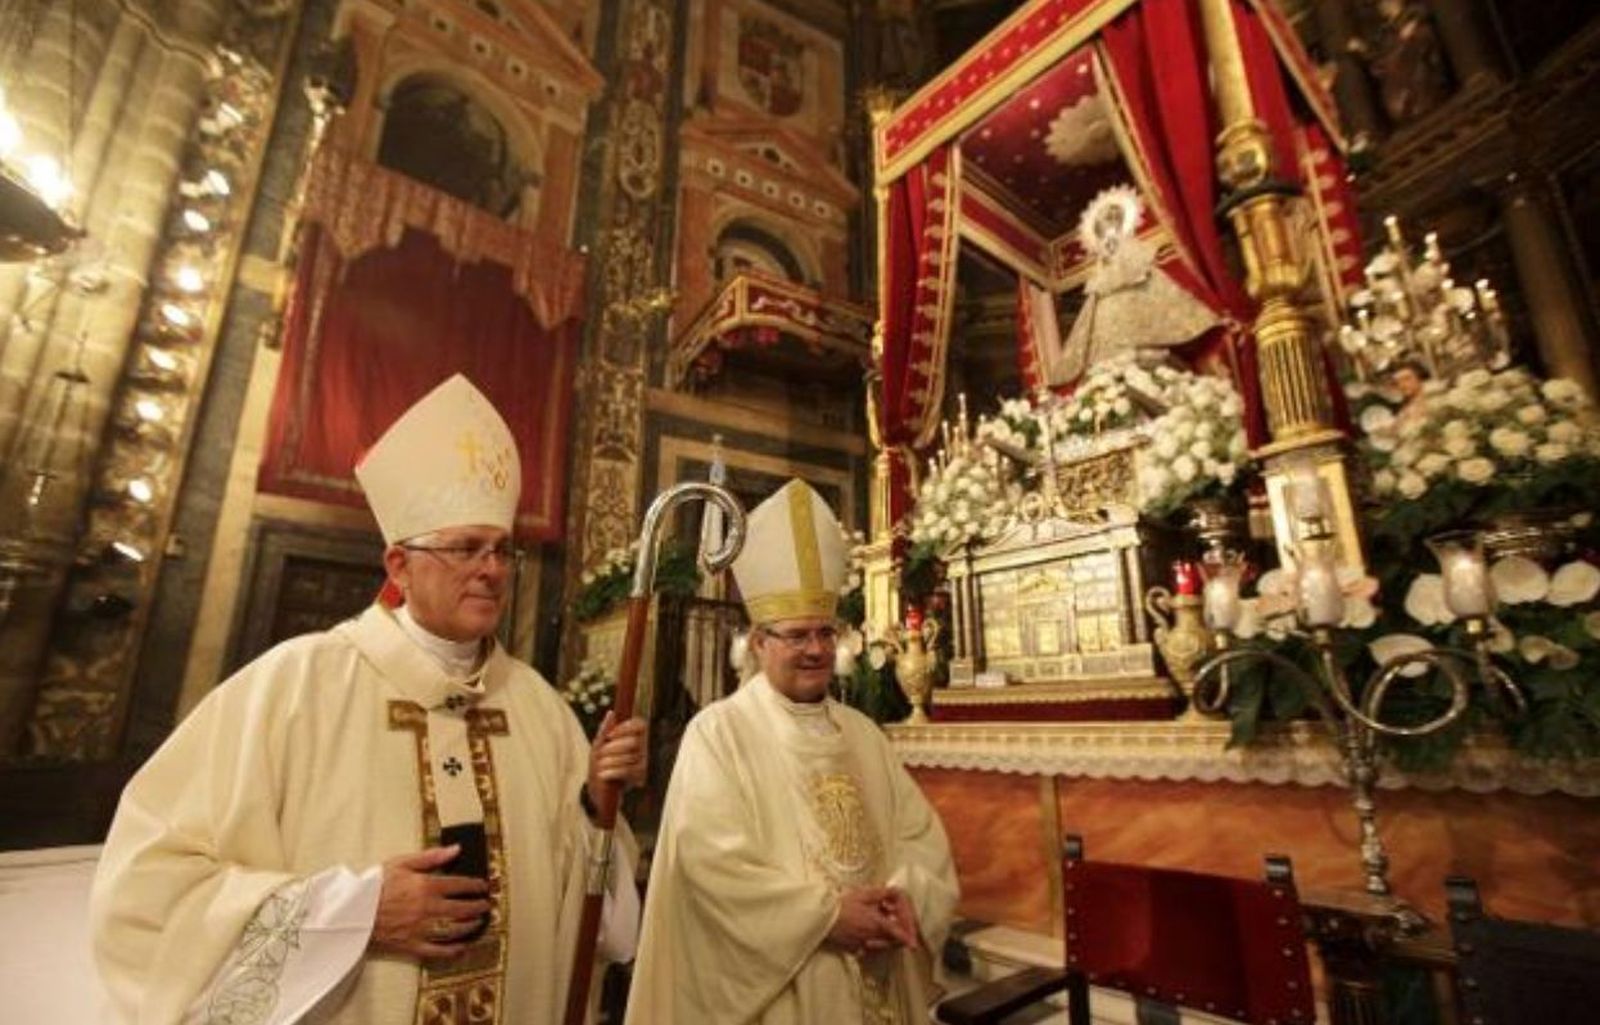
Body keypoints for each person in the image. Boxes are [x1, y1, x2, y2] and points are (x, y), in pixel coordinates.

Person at [90, 374, 646, 1025]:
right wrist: (355, 912)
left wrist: (594, 805)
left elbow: (592, 920)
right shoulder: (292, 688)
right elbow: (146, 890)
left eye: (502, 549)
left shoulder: (540, 709)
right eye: (466, 547)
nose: (492, 568)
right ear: (399, 566)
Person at [625, 479, 959, 1024]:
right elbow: (709, 867)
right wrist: (827, 918)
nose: (817, 651)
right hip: (788, 994)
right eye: (798, 635)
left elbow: (921, 838)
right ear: (758, 642)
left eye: (827, 634)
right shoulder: (718, 734)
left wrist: (903, 899)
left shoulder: (863, 734)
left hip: (880, 980)